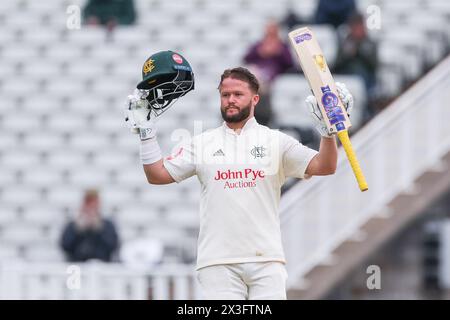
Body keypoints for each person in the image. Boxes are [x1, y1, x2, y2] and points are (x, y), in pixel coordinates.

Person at [124, 51, 354, 299]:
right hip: (218, 263)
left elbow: (325, 166)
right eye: (225, 95)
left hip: (266, 260)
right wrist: (146, 134)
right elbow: (157, 175)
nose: (230, 100)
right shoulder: (202, 143)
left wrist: (328, 133)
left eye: (238, 95)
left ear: (255, 99)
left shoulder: (276, 141)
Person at [243, 20, 294, 126]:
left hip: (271, 75)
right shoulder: (259, 45)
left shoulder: (282, 46)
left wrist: (278, 52)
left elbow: (290, 63)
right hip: (257, 71)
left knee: (260, 83)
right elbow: (246, 58)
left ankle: (260, 114)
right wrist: (260, 52)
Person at [333, 12, 378, 119]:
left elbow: (374, 66)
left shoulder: (370, 43)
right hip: (346, 80)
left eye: (359, 26)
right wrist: (347, 55)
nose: (357, 30)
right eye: (354, 27)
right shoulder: (345, 43)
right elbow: (336, 65)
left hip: (365, 81)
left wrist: (360, 51)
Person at [60, 189, 120, 262]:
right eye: (88, 203)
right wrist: (77, 230)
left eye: (94, 203)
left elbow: (113, 246)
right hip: (77, 264)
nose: (91, 207)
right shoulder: (73, 225)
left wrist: (99, 230)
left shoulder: (108, 225)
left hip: (102, 265)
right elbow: (65, 246)